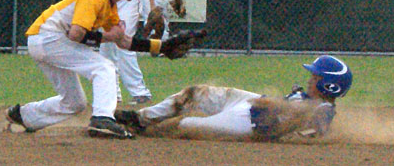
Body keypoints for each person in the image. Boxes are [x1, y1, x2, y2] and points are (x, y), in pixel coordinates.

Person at [5, 0, 201, 139]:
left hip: (45, 41)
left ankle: (24, 116)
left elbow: (124, 41)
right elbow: (76, 34)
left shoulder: (110, 5)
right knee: (104, 68)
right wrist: (107, 37)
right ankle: (102, 119)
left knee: (74, 102)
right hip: (49, 38)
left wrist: (163, 47)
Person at [114, 55, 353, 141]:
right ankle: (139, 118)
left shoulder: (322, 110)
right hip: (249, 101)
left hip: (246, 124)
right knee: (193, 93)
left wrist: (285, 111)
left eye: (316, 76)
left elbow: (310, 134)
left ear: (329, 86)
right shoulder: (310, 98)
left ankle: (144, 132)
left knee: (183, 125)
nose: (311, 78)